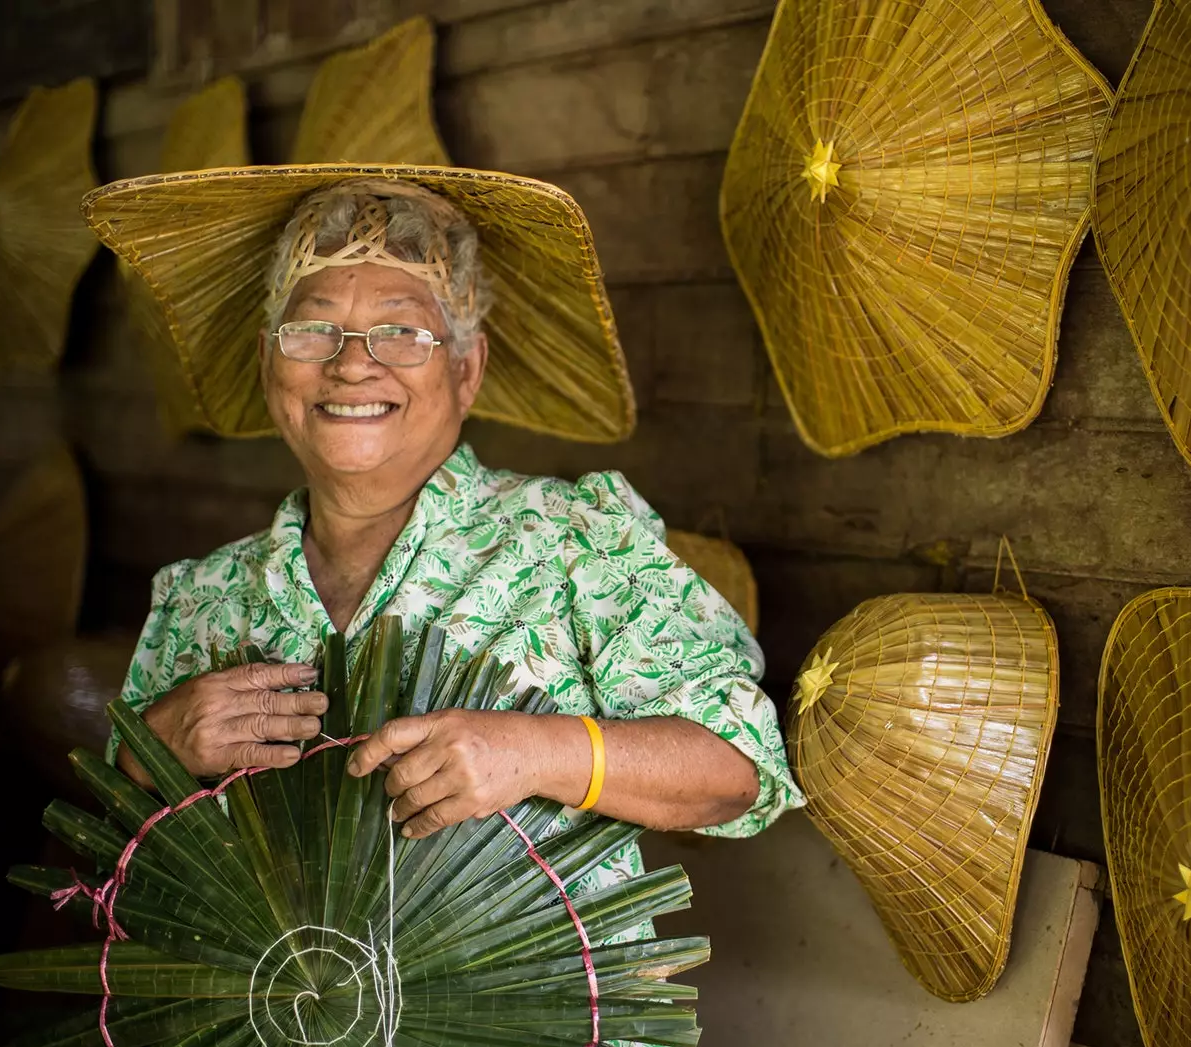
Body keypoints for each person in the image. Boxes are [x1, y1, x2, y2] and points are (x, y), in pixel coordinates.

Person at [95, 166, 803, 911]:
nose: (351, 362)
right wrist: (152, 751)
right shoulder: (201, 598)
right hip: (262, 1021)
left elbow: (738, 769)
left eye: (401, 330)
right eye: (314, 328)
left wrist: (540, 752)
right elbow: (111, 870)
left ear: (467, 369)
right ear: (271, 362)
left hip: (530, 1022)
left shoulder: (576, 542)